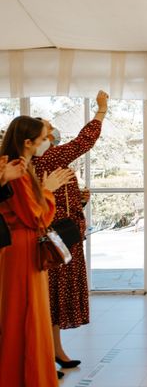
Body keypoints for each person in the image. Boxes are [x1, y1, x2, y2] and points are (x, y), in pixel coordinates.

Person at [32, 90, 108, 370]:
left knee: (50, 301)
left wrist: (78, 199)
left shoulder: (38, 161)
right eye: (48, 130)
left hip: (57, 233)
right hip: (54, 238)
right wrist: (101, 110)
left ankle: (55, 350)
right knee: (50, 299)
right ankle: (50, 353)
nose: (53, 132)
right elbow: (84, 142)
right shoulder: (49, 158)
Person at [0, 116, 74, 386]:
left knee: (28, 313)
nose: (48, 142)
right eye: (44, 138)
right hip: (22, 247)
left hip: (23, 246)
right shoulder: (17, 169)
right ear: (28, 142)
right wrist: (49, 190)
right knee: (26, 314)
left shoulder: (21, 167)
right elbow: (36, 216)